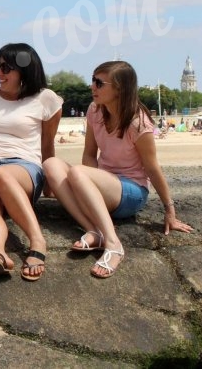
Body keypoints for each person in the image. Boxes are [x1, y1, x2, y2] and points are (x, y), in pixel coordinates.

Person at [43, 61, 193, 279]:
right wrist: (86, 187)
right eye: (92, 81)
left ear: (119, 88)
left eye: (99, 83)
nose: (92, 87)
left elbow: (152, 168)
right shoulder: (95, 111)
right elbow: (89, 154)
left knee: (77, 172)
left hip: (131, 191)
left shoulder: (137, 122)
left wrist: (169, 210)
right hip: (104, 186)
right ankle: (94, 229)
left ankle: (114, 244)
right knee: (51, 165)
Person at [0, 42, 62, 281]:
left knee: (1, 174)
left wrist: (49, 183)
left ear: (24, 70)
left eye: (6, 67)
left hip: (23, 165)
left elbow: (47, 144)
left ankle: (37, 241)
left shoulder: (45, 99)